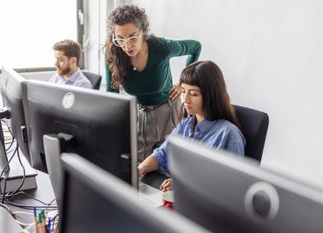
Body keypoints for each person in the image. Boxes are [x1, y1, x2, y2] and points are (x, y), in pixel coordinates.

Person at [105, 5, 201, 161]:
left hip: (168, 110)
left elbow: (195, 47)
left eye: (133, 37)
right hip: (139, 113)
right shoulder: (113, 53)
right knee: (139, 163)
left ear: (143, 31)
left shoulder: (161, 47)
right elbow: (112, 93)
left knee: (169, 162)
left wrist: (183, 83)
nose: (126, 45)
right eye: (120, 38)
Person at [138, 60, 246, 192]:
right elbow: (161, 155)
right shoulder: (186, 124)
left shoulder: (229, 134)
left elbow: (232, 186)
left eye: (193, 94)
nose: (185, 100)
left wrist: (183, 183)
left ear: (211, 95)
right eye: (183, 91)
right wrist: (139, 170)